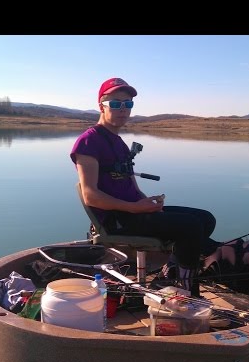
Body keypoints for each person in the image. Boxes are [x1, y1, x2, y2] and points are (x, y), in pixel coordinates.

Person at [70, 77, 218, 298]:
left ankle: (172, 271)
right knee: (191, 227)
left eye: (128, 104)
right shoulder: (89, 142)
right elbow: (90, 195)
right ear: (101, 106)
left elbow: (131, 186)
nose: (123, 109)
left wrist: (148, 203)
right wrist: (136, 208)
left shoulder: (118, 141)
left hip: (133, 212)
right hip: (117, 221)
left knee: (206, 219)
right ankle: (186, 291)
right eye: (116, 104)